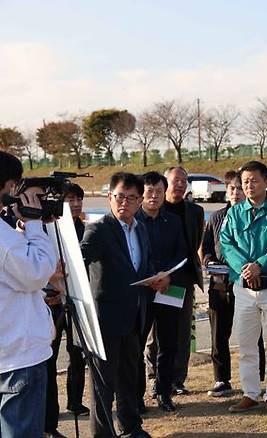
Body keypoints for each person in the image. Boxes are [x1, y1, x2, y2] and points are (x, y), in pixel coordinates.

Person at [81, 172, 169, 438]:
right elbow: (79, 259)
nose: (125, 203)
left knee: (129, 378)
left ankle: (131, 427)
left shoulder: (140, 228)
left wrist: (157, 277)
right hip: (104, 319)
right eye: (120, 197)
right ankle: (102, 434)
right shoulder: (99, 229)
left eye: (132, 198)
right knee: (103, 384)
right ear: (110, 197)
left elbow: (144, 265)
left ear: (140, 200)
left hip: (134, 316)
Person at [221, 161, 267, 415]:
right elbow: (226, 243)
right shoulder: (234, 212)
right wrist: (246, 268)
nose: (249, 186)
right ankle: (250, 393)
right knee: (246, 344)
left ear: (266, 182)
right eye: (245, 182)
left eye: (254, 180)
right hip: (243, 288)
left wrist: (260, 266)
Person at [0, 151, 57, 437]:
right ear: (10, 187)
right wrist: (34, 224)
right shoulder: (2, 237)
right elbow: (37, 272)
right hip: (17, 358)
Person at [201, 170, 266, 398]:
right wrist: (209, 261)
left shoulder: (252, 215)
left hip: (247, 283)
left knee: (252, 332)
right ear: (226, 191)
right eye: (232, 189)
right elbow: (207, 247)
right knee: (219, 333)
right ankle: (221, 379)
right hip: (219, 284)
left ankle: (257, 378)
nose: (236, 193)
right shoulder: (216, 217)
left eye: (240, 188)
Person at [146, 166, 204, 396]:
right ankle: (154, 377)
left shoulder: (195, 211)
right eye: (175, 180)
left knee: (180, 333)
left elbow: (193, 244)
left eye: (184, 180)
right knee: (154, 335)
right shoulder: (153, 210)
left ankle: (177, 379)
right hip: (154, 280)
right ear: (165, 184)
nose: (179, 184)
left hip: (181, 279)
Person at [136, 172, 186, 412]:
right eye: (149, 191)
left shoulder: (173, 221)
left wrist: (168, 277)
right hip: (142, 290)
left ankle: (164, 392)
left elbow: (182, 253)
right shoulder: (133, 221)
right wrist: (150, 278)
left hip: (170, 288)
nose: (154, 196)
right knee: (136, 344)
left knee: (168, 343)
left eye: (158, 191)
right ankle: (136, 396)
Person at [44, 183, 89, 438]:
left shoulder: (84, 228)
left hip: (77, 300)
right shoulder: (47, 228)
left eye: (78, 199)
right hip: (51, 303)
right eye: (69, 199)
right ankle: (49, 420)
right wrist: (50, 288)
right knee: (49, 360)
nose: (75, 204)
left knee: (78, 354)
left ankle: (75, 401)